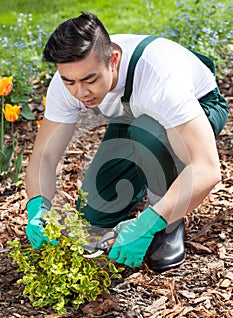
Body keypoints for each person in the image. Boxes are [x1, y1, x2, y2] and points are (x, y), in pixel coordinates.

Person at [25, 12, 228, 271]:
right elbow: (45, 155)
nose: (80, 92)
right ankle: (152, 181)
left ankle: (168, 223)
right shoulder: (70, 80)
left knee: (147, 134)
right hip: (135, 115)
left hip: (199, 107)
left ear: (114, 59)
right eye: (70, 82)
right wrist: (38, 207)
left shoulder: (162, 82)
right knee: (93, 216)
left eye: (90, 80)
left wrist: (148, 224)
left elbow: (206, 169)